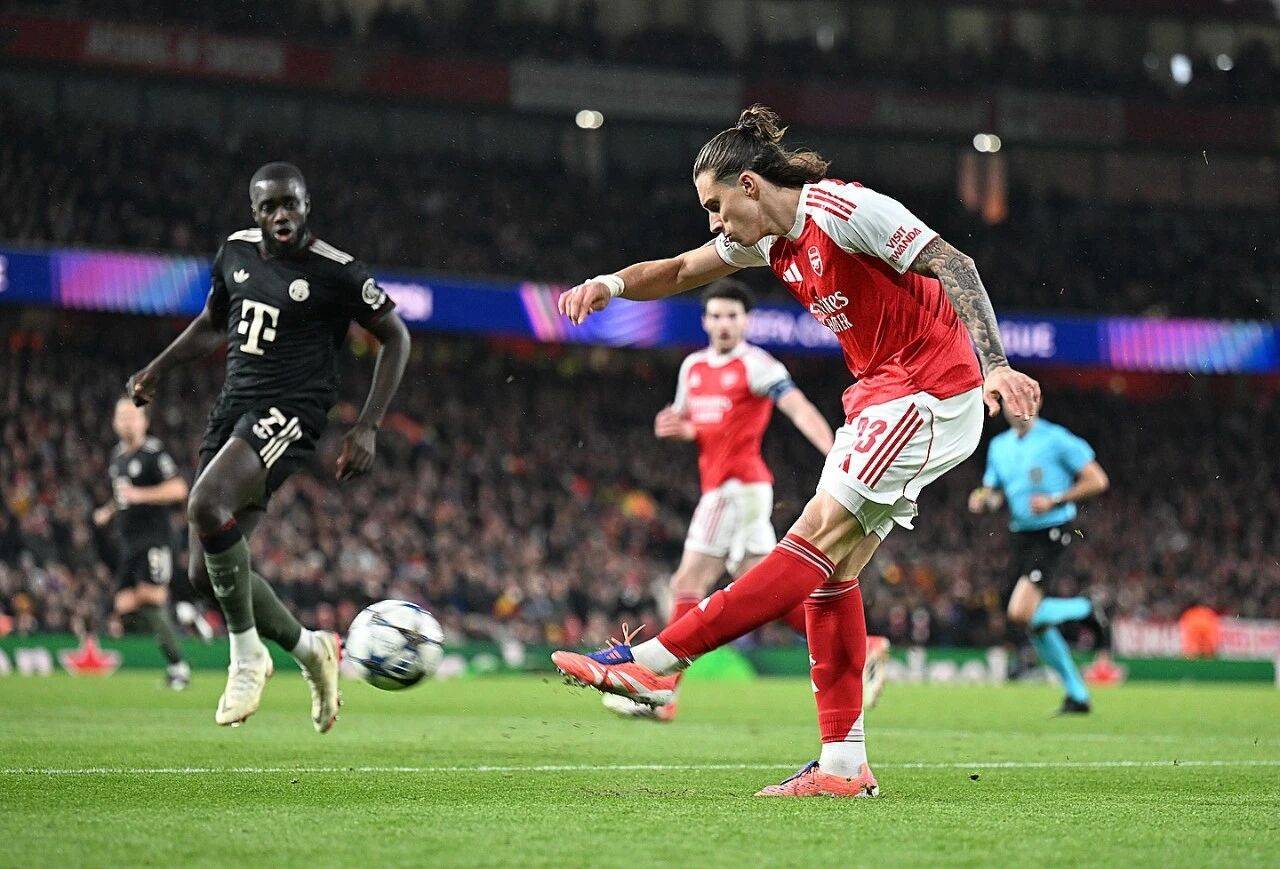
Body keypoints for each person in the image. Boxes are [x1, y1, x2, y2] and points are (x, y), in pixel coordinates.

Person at [550, 105, 1039, 798]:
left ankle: (656, 661)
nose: (714, 224)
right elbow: (682, 268)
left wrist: (997, 365)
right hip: (881, 394)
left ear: (750, 186)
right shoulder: (769, 242)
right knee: (832, 574)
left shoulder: (844, 211)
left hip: (930, 388)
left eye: (716, 206)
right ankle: (842, 766)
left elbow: (953, 263)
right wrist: (611, 284)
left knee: (813, 537)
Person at [126, 162, 411, 731]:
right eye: (269, 206)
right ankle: (312, 650)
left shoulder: (337, 271)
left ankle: (247, 657)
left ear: (306, 206)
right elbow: (213, 322)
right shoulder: (234, 252)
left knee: (205, 504)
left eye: (290, 204)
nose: (281, 214)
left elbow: (395, 337)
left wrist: (368, 426)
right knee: (206, 576)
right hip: (233, 410)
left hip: (293, 411)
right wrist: (158, 367)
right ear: (254, 212)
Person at [604, 278, 840, 722]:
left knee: (687, 583)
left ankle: (661, 690)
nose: (724, 323)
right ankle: (857, 644)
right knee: (765, 591)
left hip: (738, 488)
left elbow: (798, 408)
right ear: (705, 321)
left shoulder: (757, 365)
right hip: (726, 488)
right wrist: (678, 429)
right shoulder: (693, 367)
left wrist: (833, 453)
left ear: (746, 321)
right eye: (716, 315)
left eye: (733, 315)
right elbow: (692, 423)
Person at [968, 404, 1110, 714]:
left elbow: (1097, 480)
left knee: (1021, 612)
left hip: (1052, 532)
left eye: (1024, 399)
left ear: (1037, 401)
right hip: (1020, 536)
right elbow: (994, 493)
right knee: (1033, 622)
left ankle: (1086, 609)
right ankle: (1077, 694)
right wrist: (984, 501)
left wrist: (1055, 499)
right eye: (1011, 401)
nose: (1017, 407)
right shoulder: (999, 446)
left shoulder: (1057, 439)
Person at [93, 398, 191, 690]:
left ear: (144, 422)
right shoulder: (117, 457)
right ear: (114, 422)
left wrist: (140, 495)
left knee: (150, 596)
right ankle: (181, 614)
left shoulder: (153, 453)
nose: (126, 421)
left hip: (154, 539)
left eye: (132, 416)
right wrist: (108, 510)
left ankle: (179, 667)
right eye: (121, 416)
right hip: (128, 544)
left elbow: (179, 489)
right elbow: (122, 495)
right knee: (124, 607)